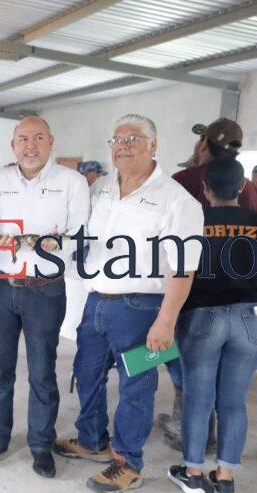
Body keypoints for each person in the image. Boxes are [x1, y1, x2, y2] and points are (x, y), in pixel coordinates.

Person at [54, 114, 204, 492]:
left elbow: (183, 268)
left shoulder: (176, 201)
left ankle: (127, 462)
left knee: (137, 386)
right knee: (87, 373)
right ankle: (92, 440)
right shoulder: (101, 188)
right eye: (116, 140)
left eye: (133, 139)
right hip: (96, 302)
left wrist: (166, 321)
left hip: (143, 309)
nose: (122, 145)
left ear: (154, 146)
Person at [0, 117, 90, 478]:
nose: (30, 145)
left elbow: (81, 234)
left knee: (42, 370)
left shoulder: (71, 181)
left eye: (38, 137)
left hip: (45, 289)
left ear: (50, 141)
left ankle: (40, 443)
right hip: (0, 286)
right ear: (13, 145)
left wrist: (53, 243)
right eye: (23, 138)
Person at [167, 155, 256, 493]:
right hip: (247, 319)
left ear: (204, 189)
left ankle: (192, 474)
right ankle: (225, 478)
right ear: (242, 186)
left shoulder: (194, 222)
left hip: (202, 318)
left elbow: (177, 271)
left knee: (198, 400)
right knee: (233, 403)